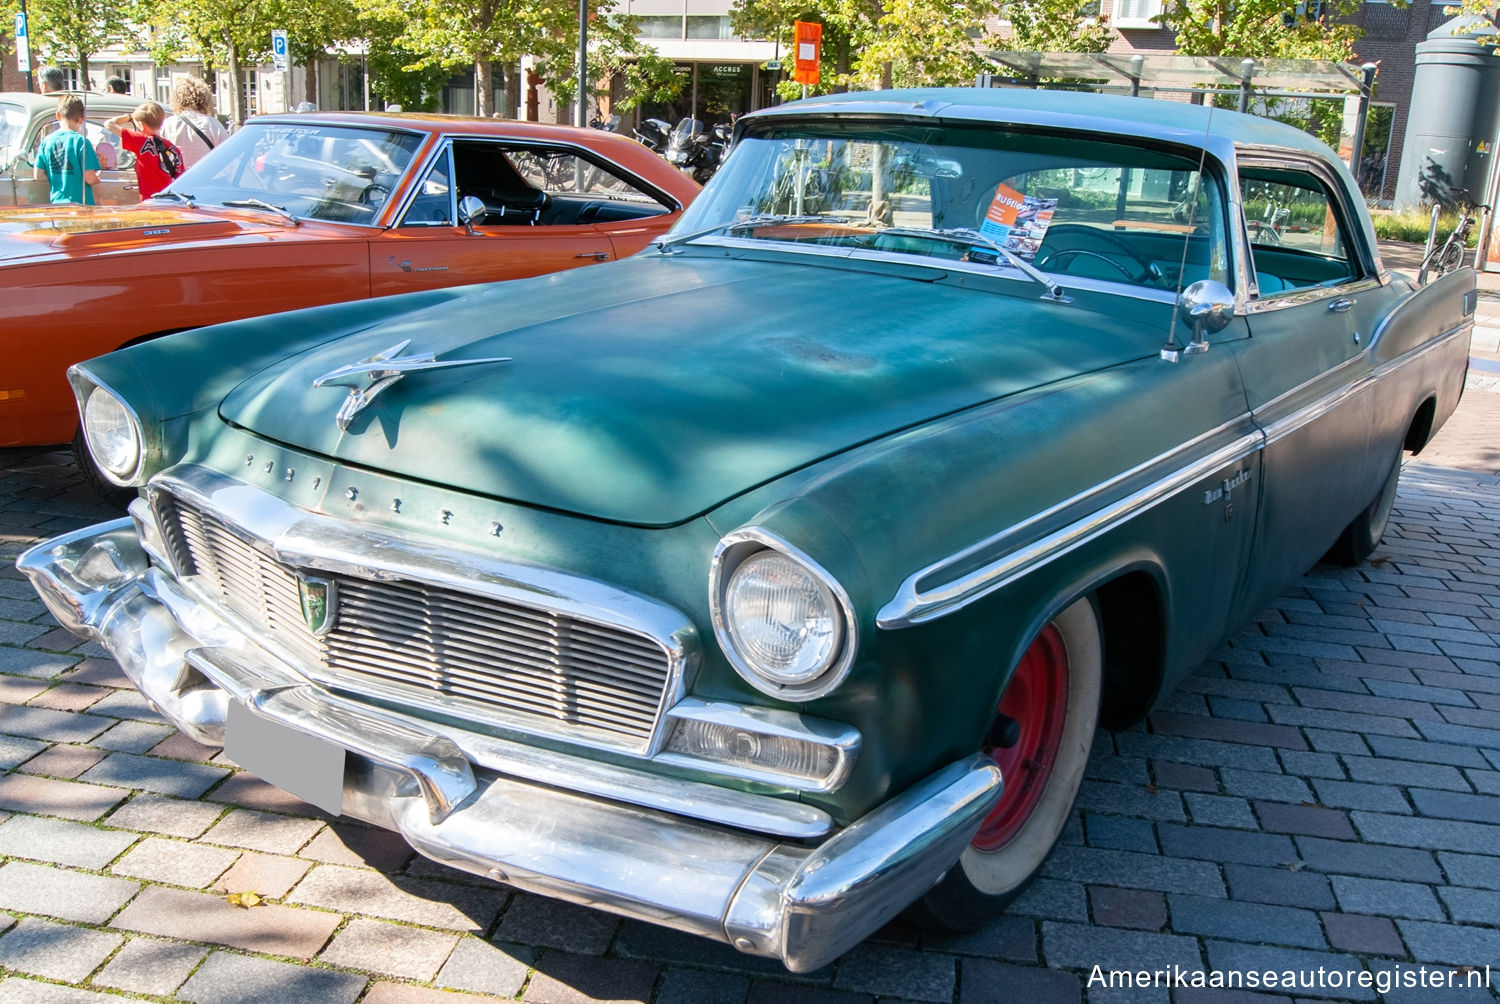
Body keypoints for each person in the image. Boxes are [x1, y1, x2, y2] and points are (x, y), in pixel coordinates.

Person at [105, 101, 183, 199]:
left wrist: (129, 117)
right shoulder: (173, 149)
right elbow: (181, 177)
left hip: (150, 201)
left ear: (141, 124)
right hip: (171, 201)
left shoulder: (140, 140)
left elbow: (109, 124)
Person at [32, 95, 100, 204]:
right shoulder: (82, 142)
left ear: (58, 115)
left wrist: (59, 178)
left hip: (57, 203)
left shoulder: (47, 141)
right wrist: (97, 179)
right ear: (81, 119)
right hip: (81, 205)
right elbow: (89, 178)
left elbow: (38, 175)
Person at [160, 77, 228, 170]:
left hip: (178, 178)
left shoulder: (168, 124)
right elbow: (226, 154)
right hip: (207, 176)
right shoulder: (212, 124)